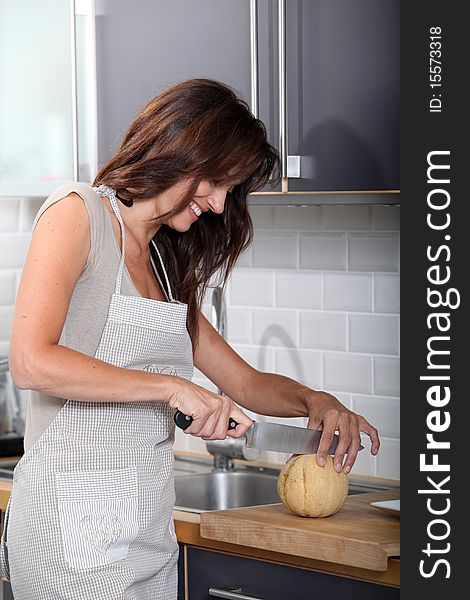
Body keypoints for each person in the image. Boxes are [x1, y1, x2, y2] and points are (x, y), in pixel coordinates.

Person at [0, 79, 379, 599]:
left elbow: (244, 381)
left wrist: (315, 401)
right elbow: (31, 362)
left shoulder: (165, 262)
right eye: (217, 181)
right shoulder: (77, 214)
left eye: (231, 190)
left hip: (146, 537)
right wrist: (170, 387)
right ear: (181, 147)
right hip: (69, 538)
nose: (222, 204)